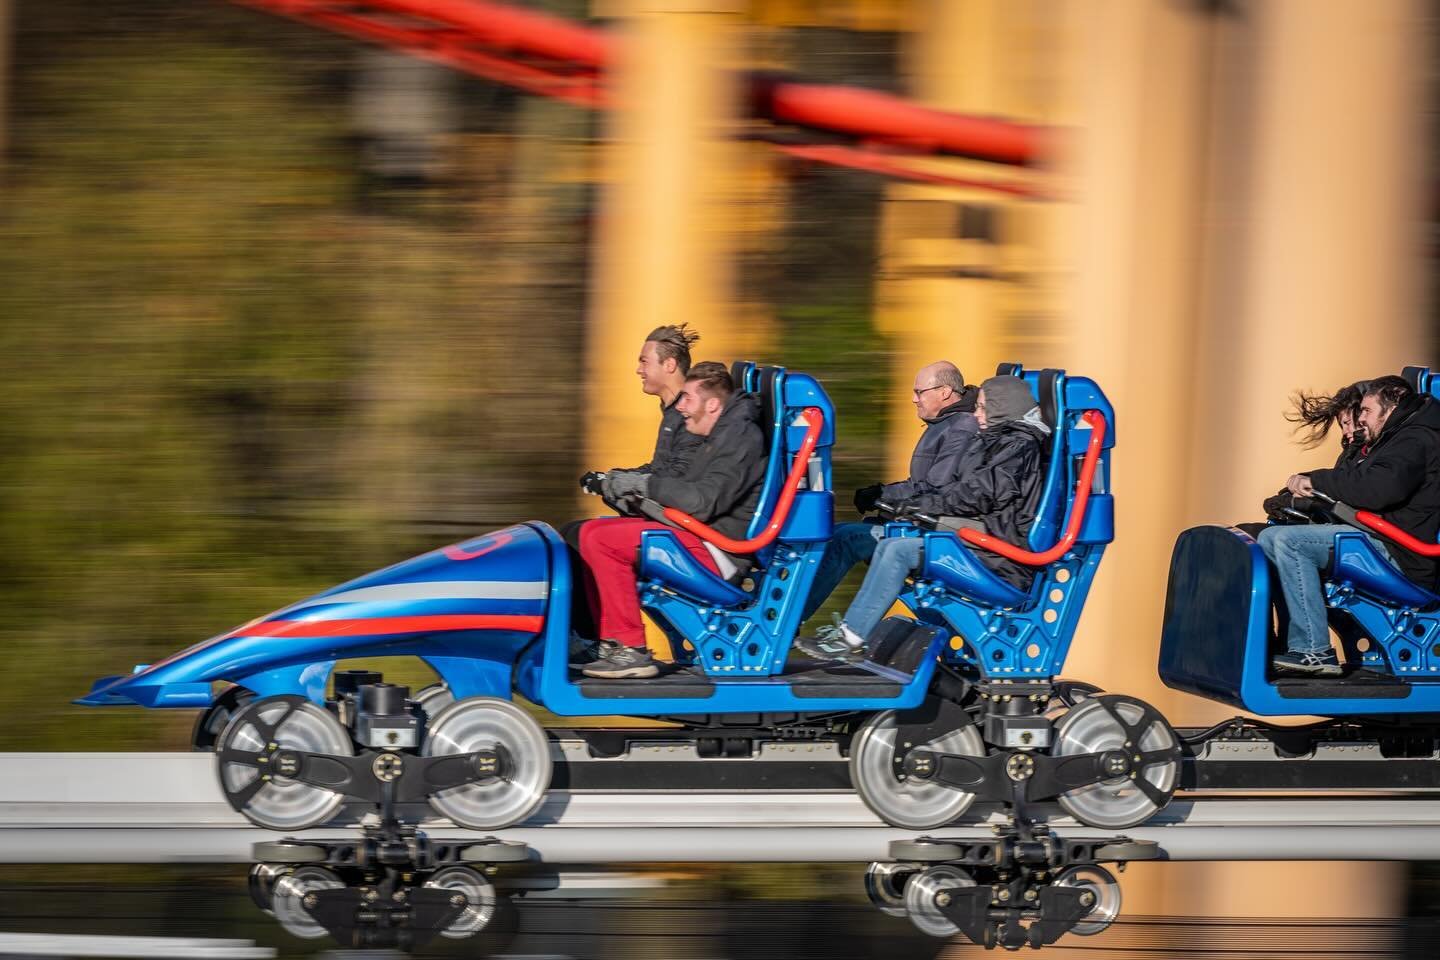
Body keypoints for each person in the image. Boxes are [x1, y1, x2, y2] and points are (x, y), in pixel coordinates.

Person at [795, 375, 1049, 660]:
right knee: (852, 535)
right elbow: (957, 489)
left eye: (982, 408)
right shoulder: (995, 441)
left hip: (996, 559)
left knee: (898, 550)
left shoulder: (1018, 447)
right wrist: (910, 503)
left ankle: (851, 636)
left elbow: (978, 495)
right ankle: (792, 622)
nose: (976, 414)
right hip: (976, 540)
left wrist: (923, 507)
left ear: (1002, 407)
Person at [576, 362, 766, 678]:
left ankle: (630, 650)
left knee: (601, 540)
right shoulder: (721, 432)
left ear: (713, 404)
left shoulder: (739, 439)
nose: (680, 407)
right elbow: (683, 489)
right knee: (589, 530)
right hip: (698, 535)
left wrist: (644, 486)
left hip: (717, 553)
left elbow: (702, 502)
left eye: (687, 399)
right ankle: (605, 642)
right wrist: (629, 490)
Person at [1260, 376, 1440, 676]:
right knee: (1267, 538)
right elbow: (1352, 484)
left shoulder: (1415, 439)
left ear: (1393, 403)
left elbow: (1378, 489)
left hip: (1402, 554)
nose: (1361, 419)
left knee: (1289, 542)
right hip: (1377, 538)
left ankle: (1314, 651)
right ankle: (1282, 644)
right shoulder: (1392, 439)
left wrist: (1316, 481)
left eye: (1366, 411)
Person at [800, 361, 979, 622]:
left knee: (846, 539)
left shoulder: (961, 427)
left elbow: (936, 487)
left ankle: (797, 622)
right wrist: (882, 494)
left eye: (919, 392)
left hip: (940, 532)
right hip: (929, 522)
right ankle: (797, 618)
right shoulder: (946, 423)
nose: (913, 399)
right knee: (841, 533)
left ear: (945, 392)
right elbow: (925, 483)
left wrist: (883, 495)